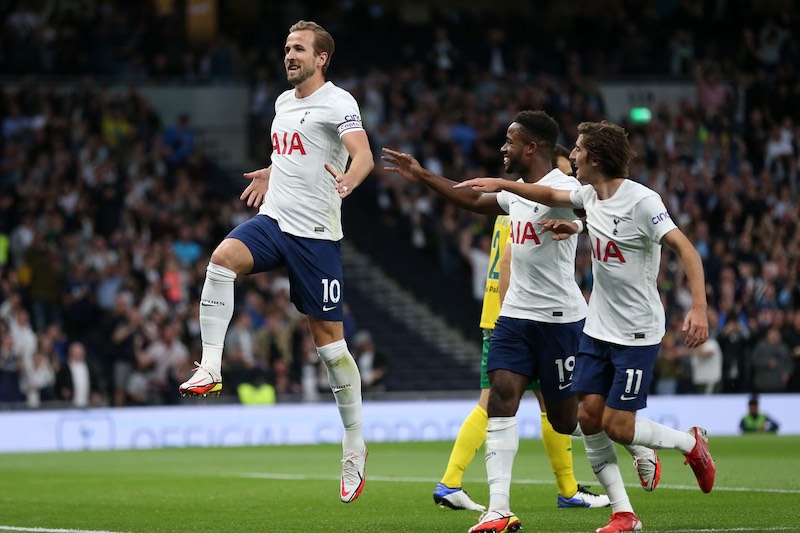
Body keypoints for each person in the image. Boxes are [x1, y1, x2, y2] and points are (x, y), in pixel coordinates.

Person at [383, 112, 656, 533]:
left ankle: (634, 440)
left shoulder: (568, 188)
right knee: (501, 397)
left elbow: (583, 212)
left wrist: (574, 224)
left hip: (562, 323)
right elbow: (472, 200)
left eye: (509, 142)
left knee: (570, 421)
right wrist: (422, 176)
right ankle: (499, 509)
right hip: (515, 317)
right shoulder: (518, 195)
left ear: (531, 147)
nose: (502, 149)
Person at [456, 120, 716, 533]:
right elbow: (549, 196)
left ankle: (690, 444)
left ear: (595, 158)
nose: (571, 155)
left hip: (636, 330)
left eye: (577, 150)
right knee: (588, 419)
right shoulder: (590, 196)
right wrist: (571, 223)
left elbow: (686, 250)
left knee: (617, 425)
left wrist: (699, 308)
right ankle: (623, 514)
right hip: (596, 326)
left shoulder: (644, 202)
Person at [178, 20, 374, 503]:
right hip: (276, 221)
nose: (289, 55)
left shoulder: (339, 102)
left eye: (299, 49)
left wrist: (350, 180)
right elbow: (293, 152)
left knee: (331, 349)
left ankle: (354, 443)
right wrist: (271, 171)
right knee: (222, 259)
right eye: (287, 48)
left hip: (316, 237)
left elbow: (362, 154)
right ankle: (211, 367)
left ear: (321, 58)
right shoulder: (283, 103)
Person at [431, 145, 611, 514]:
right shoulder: (525, 205)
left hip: (503, 314)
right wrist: (511, 318)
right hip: (518, 317)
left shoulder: (511, 206)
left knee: (524, 404)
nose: (563, 186)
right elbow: (512, 259)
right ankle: (455, 481)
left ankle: (563, 488)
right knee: (522, 405)